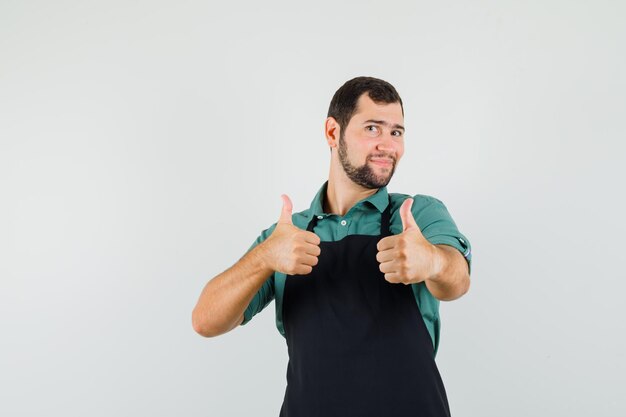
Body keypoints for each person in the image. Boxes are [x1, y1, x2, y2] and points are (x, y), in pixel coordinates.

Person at [192, 76, 472, 417]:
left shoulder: (418, 214)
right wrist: (264, 257)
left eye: (396, 132)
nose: (388, 145)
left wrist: (432, 262)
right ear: (332, 132)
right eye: (373, 128)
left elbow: (457, 280)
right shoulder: (286, 235)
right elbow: (206, 321)